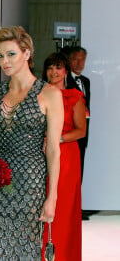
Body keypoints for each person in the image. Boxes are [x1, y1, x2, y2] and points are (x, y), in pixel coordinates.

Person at [0, 26, 64, 260]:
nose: (5, 61)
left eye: (11, 54)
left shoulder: (49, 94)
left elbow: (54, 151)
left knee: (26, 249)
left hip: (30, 184)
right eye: (0, 55)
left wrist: (52, 197)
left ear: (27, 54)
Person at [42, 52, 86, 261]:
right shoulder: (38, 95)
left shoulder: (74, 96)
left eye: (58, 67)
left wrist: (57, 139)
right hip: (41, 155)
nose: (54, 72)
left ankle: (63, 255)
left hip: (66, 156)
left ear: (65, 71)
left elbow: (81, 131)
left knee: (62, 206)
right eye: (50, 68)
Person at [65, 46, 91, 220]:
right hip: (68, 134)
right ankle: (68, 209)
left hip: (82, 134)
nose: (80, 63)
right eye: (76, 59)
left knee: (79, 171)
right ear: (69, 60)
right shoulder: (64, 81)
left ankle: (75, 208)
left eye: (83, 59)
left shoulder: (87, 81)